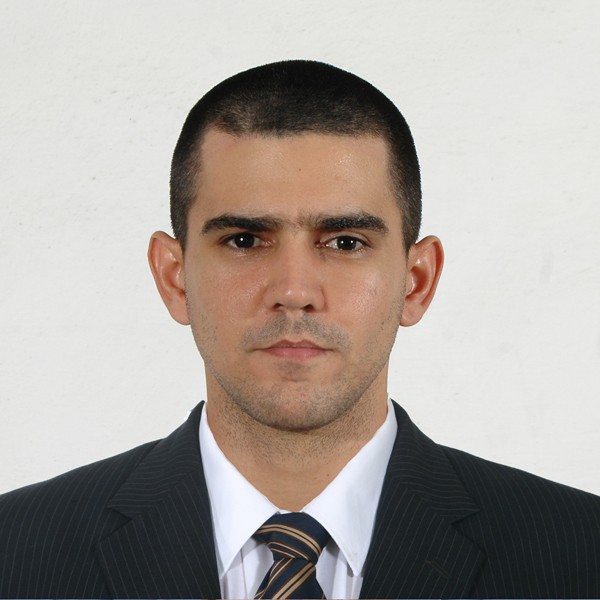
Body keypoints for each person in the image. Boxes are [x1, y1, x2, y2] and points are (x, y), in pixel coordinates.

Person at [0, 60, 599, 599]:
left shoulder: (581, 555)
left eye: (345, 242)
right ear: (174, 278)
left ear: (415, 282)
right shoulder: (16, 552)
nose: (294, 291)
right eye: (244, 240)